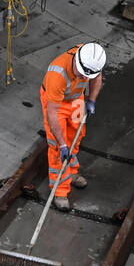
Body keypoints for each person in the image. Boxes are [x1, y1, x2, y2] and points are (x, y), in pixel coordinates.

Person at [39, 42, 106, 212]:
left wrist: (91, 99)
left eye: (87, 76)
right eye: (82, 74)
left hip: (77, 100)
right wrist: (61, 144)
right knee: (57, 148)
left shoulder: (91, 57)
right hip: (58, 105)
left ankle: (72, 172)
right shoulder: (57, 74)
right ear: (76, 61)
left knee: (76, 136)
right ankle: (60, 191)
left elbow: (97, 78)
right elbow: (52, 113)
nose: (84, 78)